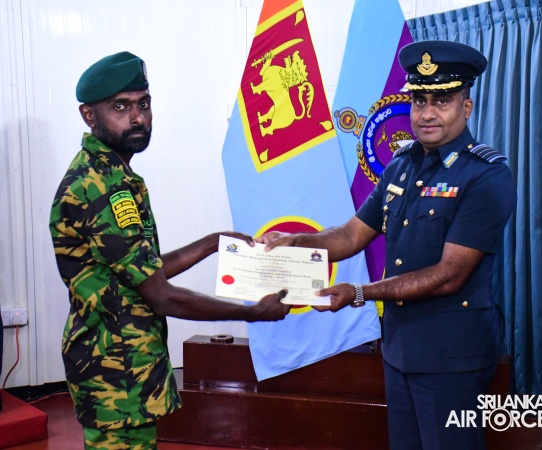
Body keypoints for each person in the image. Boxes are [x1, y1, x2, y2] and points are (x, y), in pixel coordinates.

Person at [257, 40, 516, 450]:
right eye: (419, 100)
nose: (427, 113)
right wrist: (296, 242)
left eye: (442, 101)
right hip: (399, 349)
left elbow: (449, 275)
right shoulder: (401, 164)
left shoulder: (485, 175)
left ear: (466, 107)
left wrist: (359, 292)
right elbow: (350, 235)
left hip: (452, 357)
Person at [49, 51, 291, 450]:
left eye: (143, 104)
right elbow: (160, 295)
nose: (137, 118)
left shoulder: (110, 174)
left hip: (122, 367)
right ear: (89, 116)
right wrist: (252, 313)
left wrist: (213, 243)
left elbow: (143, 269)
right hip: (116, 373)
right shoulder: (100, 186)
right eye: (120, 107)